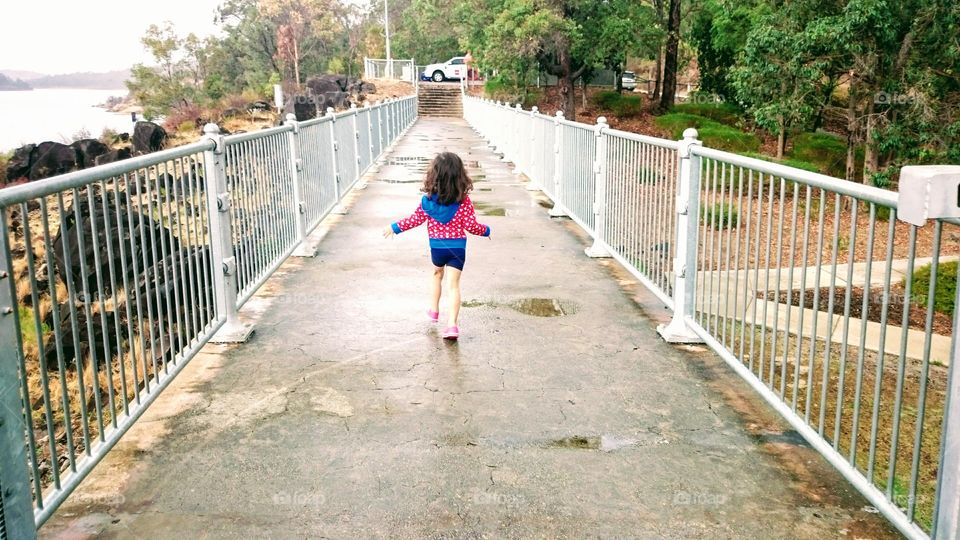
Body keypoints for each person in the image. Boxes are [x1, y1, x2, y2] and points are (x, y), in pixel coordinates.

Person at [383, 152, 491, 340]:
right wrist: (486, 230)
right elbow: (471, 226)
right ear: (460, 176)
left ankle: (434, 311)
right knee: (454, 286)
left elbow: (414, 220)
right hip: (457, 250)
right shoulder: (464, 202)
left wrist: (395, 227)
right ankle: (452, 326)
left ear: (434, 176)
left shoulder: (427, 201)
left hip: (437, 249)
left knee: (436, 274)